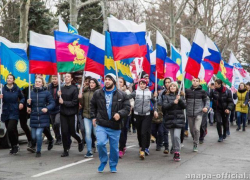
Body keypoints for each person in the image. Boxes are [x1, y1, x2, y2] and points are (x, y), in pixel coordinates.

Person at [90, 73, 130, 173]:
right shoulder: (98, 93)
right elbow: (92, 105)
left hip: (115, 125)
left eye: (109, 79)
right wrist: (93, 117)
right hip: (102, 124)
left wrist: (119, 114)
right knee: (100, 143)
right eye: (106, 79)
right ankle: (103, 161)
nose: (107, 81)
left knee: (114, 148)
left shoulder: (122, 94)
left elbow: (127, 108)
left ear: (113, 81)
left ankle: (113, 165)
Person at [128, 78, 158, 160]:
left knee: (144, 132)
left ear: (146, 85)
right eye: (141, 84)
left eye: (144, 84)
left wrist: (155, 110)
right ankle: (141, 146)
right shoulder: (135, 92)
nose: (142, 85)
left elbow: (155, 102)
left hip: (147, 115)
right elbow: (127, 97)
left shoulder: (149, 93)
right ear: (138, 84)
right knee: (139, 133)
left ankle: (143, 149)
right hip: (137, 115)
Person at [27, 77, 55, 157]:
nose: (37, 83)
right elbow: (29, 106)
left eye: (39, 82)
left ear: (42, 83)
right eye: (36, 81)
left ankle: (38, 151)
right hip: (34, 117)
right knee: (33, 137)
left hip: (43, 117)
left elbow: (52, 103)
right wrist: (28, 104)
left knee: (39, 134)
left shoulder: (46, 93)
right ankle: (50, 140)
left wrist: (47, 108)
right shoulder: (31, 93)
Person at [58, 73, 84, 157]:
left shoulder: (74, 89)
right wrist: (58, 96)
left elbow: (74, 102)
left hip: (72, 113)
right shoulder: (61, 88)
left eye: (68, 77)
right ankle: (66, 149)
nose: (66, 78)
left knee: (73, 132)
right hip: (63, 113)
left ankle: (80, 141)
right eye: (65, 77)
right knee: (64, 132)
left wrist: (64, 102)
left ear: (71, 79)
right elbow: (57, 102)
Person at [0, 74, 25, 155]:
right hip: (6, 111)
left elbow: (22, 97)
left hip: (14, 111)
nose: (9, 79)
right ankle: (14, 145)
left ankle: (15, 145)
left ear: (13, 80)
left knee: (11, 128)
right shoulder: (2, 89)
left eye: (11, 78)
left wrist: (21, 103)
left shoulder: (17, 89)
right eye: (8, 78)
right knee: (10, 130)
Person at [162, 82, 186, 161]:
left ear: (177, 87)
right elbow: (164, 106)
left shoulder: (181, 96)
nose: (172, 87)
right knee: (172, 137)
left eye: (174, 86)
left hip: (179, 119)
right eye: (171, 86)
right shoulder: (166, 96)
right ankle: (175, 150)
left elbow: (184, 106)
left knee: (176, 136)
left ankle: (177, 152)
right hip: (170, 119)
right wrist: (173, 102)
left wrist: (179, 100)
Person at [185, 78, 210, 152]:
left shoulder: (203, 91)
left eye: (197, 81)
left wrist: (206, 107)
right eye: (193, 81)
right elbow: (184, 101)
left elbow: (207, 100)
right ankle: (194, 138)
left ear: (199, 82)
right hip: (189, 113)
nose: (195, 82)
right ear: (191, 82)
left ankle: (195, 143)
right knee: (192, 130)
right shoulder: (187, 91)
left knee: (197, 129)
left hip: (199, 113)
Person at [78, 78, 100, 158]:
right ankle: (89, 151)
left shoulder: (99, 92)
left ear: (96, 84)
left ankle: (100, 147)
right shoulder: (85, 91)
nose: (91, 84)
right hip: (86, 115)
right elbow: (82, 104)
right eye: (90, 82)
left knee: (96, 133)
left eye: (93, 82)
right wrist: (80, 98)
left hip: (95, 116)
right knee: (87, 133)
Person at [118, 77, 134, 159]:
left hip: (125, 115)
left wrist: (130, 106)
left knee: (123, 131)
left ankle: (121, 147)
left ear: (123, 84)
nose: (119, 83)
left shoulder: (127, 92)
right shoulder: (113, 92)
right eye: (118, 82)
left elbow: (131, 102)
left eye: (121, 82)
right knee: (117, 132)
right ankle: (118, 147)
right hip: (116, 115)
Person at [158, 77, 172, 154]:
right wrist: (157, 97)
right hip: (165, 113)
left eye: (169, 82)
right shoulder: (162, 92)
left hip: (174, 114)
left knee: (173, 132)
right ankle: (166, 147)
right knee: (165, 131)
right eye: (166, 82)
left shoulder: (175, 91)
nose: (167, 84)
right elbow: (159, 103)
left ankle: (174, 147)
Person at [48, 75, 62, 145]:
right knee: (53, 125)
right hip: (51, 108)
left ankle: (60, 137)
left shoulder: (61, 87)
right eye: (53, 79)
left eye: (55, 79)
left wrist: (59, 95)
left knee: (57, 122)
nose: (54, 80)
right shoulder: (49, 87)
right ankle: (58, 138)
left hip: (59, 108)